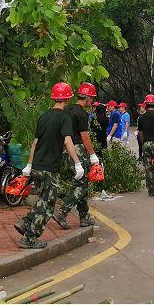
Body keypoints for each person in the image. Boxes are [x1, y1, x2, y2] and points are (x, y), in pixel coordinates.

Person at [13, 83, 84, 249]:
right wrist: (78, 163)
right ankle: (30, 238)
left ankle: (26, 222)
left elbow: (34, 143)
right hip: (49, 168)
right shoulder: (64, 118)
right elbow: (68, 141)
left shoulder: (44, 116)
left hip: (37, 166)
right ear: (67, 99)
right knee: (48, 206)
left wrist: (29, 165)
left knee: (43, 200)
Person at [52, 83, 101, 229]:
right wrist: (92, 155)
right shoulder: (82, 114)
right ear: (88, 98)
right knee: (81, 185)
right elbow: (85, 137)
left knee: (81, 184)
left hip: (66, 150)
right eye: (92, 98)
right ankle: (62, 212)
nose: (92, 101)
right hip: (78, 150)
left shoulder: (66, 109)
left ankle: (84, 217)